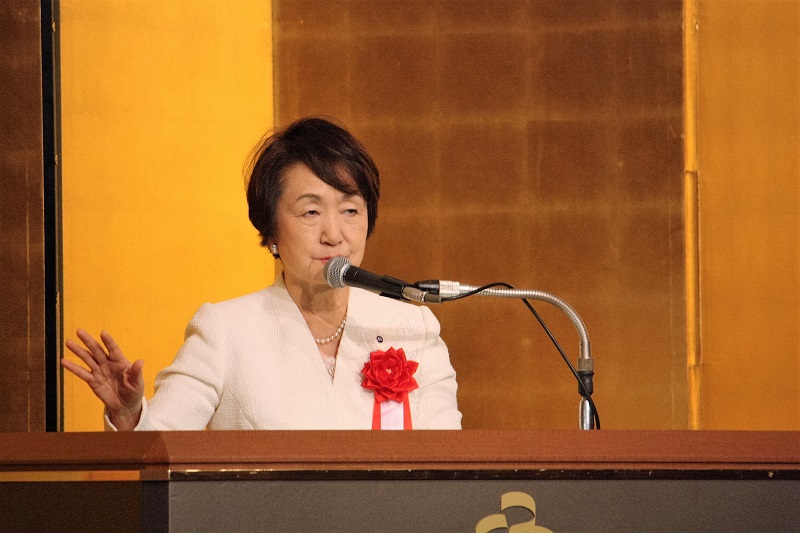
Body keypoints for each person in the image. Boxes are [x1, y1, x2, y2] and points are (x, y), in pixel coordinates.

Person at [62, 117, 462, 431]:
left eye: (350, 210)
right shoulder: (226, 331)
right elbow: (163, 443)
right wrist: (130, 415)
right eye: (310, 212)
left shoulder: (412, 327)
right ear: (270, 231)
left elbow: (448, 461)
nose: (334, 234)